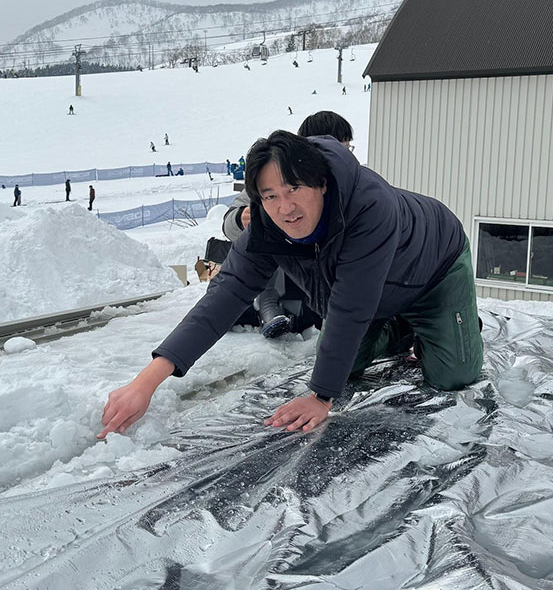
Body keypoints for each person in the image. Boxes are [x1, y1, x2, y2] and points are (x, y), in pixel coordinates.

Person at [99, 129, 483, 439]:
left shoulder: (370, 208)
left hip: (432, 271)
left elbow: (348, 307)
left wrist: (319, 397)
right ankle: (399, 330)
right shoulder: (268, 228)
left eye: (294, 189)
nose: (285, 207)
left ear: (321, 184)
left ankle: (448, 321)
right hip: (371, 295)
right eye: (270, 196)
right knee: (345, 368)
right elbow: (224, 297)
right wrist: (145, 383)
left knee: (453, 377)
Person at [222, 111, 353, 339]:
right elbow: (231, 222)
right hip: (293, 279)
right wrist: (239, 219)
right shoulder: (277, 176)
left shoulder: (356, 183)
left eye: (345, 148)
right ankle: (268, 303)